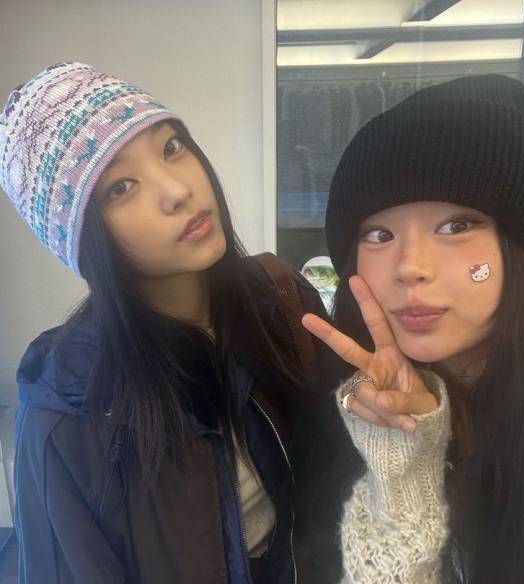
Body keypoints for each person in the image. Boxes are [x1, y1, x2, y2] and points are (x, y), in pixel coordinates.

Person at [0, 62, 326, 584]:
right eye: (120, 187)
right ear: (83, 239)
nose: (177, 190)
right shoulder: (66, 414)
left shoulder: (282, 299)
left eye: (172, 147)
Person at [293, 75, 524, 583]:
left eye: (457, 226)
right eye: (379, 233)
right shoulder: (349, 404)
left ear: (520, 250)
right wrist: (400, 460)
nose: (410, 267)